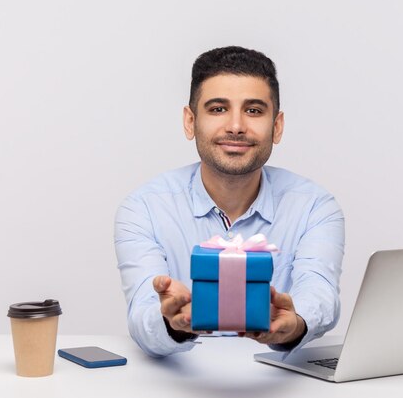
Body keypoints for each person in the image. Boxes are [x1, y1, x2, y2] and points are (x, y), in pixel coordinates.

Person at [114, 46, 345, 357]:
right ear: (189, 122)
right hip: (178, 384)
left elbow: (319, 290)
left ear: (276, 126)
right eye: (218, 109)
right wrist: (171, 321)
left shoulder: (316, 207)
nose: (236, 126)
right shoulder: (144, 209)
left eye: (253, 110)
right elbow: (143, 315)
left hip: (279, 380)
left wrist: (296, 323)